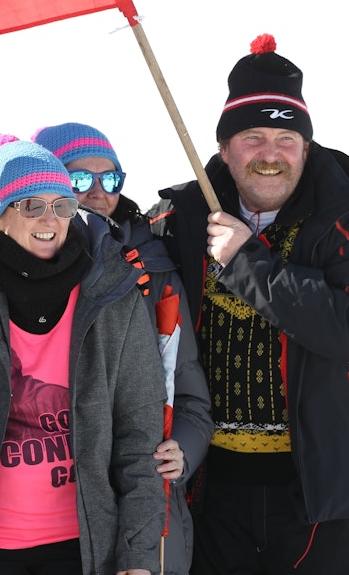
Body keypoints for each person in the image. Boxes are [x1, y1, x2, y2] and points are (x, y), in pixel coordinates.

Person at [147, 34, 349, 574]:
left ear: (306, 147)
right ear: (223, 148)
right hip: (209, 487)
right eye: (252, 136)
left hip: (322, 491)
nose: (270, 154)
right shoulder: (181, 216)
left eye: (286, 138)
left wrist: (246, 263)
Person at [0, 134, 167, 575]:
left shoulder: (112, 295)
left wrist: (137, 554)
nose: (51, 218)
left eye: (62, 204)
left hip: (80, 546)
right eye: (31, 205)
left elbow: (140, 434)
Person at [33, 122, 214, 575]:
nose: (97, 192)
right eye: (79, 179)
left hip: (143, 491)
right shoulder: (18, 265)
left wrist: (184, 449)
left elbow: (190, 394)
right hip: (47, 491)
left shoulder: (154, 269)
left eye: (110, 179)